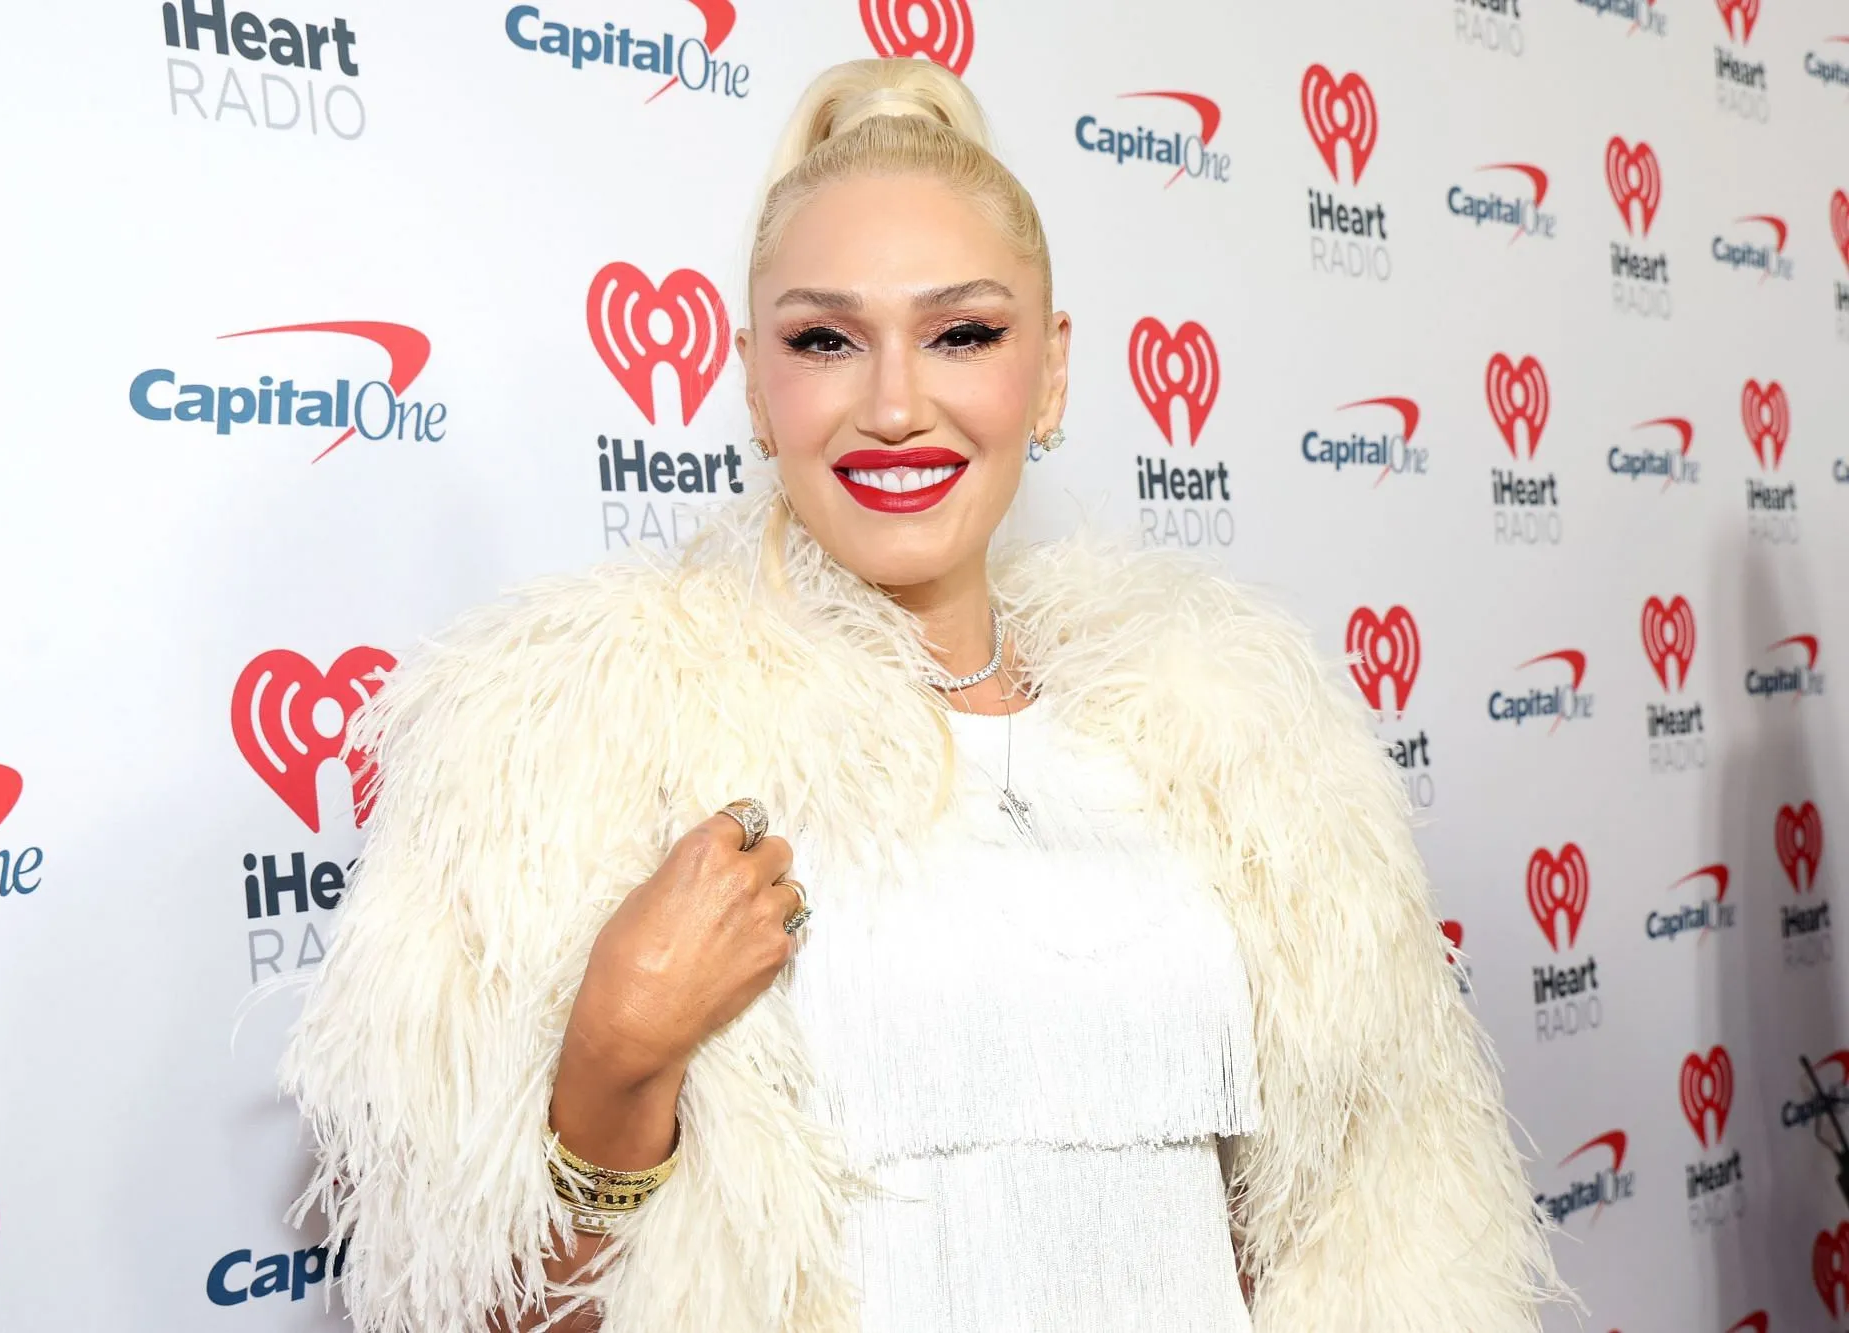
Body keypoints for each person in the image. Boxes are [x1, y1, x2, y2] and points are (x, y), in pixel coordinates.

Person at [277, 57, 1569, 1333]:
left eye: (963, 333)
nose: (896, 405)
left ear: (1050, 371)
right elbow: (472, 1312)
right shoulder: (578, 755)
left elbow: (1370, 1244)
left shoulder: (1248, 765)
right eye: (827, 339)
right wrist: (614, 1056)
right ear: (751, 380)